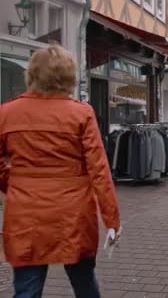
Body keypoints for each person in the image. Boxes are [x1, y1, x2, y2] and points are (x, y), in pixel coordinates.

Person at [0, 45, 121, 298]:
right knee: (83, 280)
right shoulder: (81, 113)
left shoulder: (7, 113)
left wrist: (15, 182)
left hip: (26, 211)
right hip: (73, 212)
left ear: (32, 74)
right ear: (68, 77)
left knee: (27, 286)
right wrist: (112, 219)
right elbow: (99, 170)